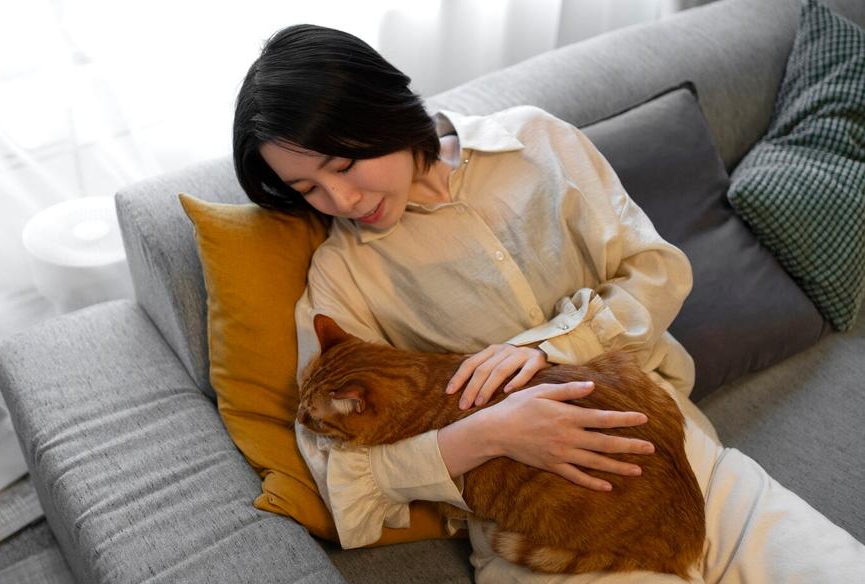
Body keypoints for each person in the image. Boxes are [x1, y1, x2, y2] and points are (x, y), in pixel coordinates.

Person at [232, 23, 865, 583]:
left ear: (383, 108)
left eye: (344, 164)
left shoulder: (535, 141)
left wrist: (550, 349)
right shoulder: (343, 273)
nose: (340, 201)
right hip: (543, 525)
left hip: (675, 457)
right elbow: (340, 477)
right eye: (307, 188)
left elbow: (657, 272)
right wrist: (486, 433)